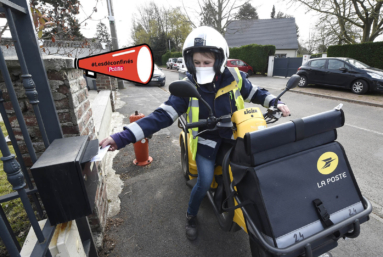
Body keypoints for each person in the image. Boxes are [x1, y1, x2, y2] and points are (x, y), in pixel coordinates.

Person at [99, 26, 290, 241]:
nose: (202, 67)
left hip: (236, 138)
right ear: (190, 63)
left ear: (219, 60)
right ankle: (191, 215)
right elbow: (161, 115)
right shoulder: (188, 85)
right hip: (207, 142)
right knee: (205, 180)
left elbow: (255, 93)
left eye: (207, 63)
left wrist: (275, 102)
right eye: (197, 63)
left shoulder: (235, 76)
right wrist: (121, 137)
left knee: (257, 170)